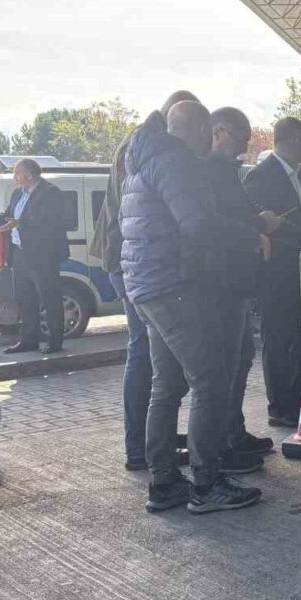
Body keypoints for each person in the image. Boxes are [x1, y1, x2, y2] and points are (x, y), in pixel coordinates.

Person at [121, 101, 265, 514]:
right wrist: (249, 236)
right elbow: (198, 223)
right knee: (211, 381)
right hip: (174, 286)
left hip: (147, 287)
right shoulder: (174, 161)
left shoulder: (141, 160)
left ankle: (164, 482)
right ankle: (206, 483)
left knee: (166, 385)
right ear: (202, 130)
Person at [92, 90, 195, 471]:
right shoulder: (143, 147)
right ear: (174, 121)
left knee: (150, 355)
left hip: (126, 260)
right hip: (130, 262)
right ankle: (140, 445)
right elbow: (139, 211)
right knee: (144, 353)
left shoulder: (140, 142)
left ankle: (152, 439)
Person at [205, 106, 289, 470]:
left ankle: (232, 433)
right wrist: (257, 226)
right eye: (240, 140)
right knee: (224, 366)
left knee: (239, 359)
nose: (243, 149)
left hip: (235, 281)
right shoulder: (206, 171)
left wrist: (257, 220)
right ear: (218, 132)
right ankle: (221, 448)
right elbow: (217, 222)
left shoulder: (224, 171)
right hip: (221, 282)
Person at [244, 118, 301, 428]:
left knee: (300, 335)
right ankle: (279, 405)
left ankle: (298, 398)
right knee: (278, 338)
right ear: (294, 140)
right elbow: (266, 223)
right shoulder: (261, 176)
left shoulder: (299, 175)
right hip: (276, 270)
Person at [0, 158, 70, 355]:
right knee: (25, 298)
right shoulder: (18, 193)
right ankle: (29, 340)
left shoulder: (50, 193)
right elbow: (5, 216)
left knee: (49, 297)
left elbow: (50, 222)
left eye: (17, 173)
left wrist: (20, 223)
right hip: (20, 253)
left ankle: (55, 342)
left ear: (29, 175)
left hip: (43, 256)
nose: (14, 177)